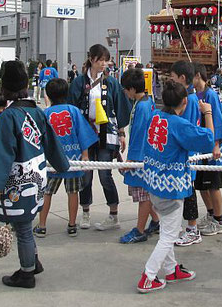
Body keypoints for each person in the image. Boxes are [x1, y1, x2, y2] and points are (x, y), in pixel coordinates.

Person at [0, 60, 69, 288]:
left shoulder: (7, 117)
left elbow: (2, 155)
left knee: (22, 228)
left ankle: (26, 272)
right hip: (38, 176)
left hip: (16, 181)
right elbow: (51, 142)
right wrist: (63, 166)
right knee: (27, 223)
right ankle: (34, 260)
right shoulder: (37, 112)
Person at [136, 80, 218, 293]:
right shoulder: (178, 124)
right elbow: (208, 139)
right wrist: (207, 113)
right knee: (169, 235)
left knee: (166, 229)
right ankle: (148, 276)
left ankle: (172, 270)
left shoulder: (156, 117)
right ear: (184, 101)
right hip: (170, 188)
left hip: (154, 183)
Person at [67, 44, 131, 231]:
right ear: (92, 59)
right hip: (85, 132)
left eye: (106, 59)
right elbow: (72, 107)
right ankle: (85, 211)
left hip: (106, 131)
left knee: (105, 173)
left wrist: (121, 132)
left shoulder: (111, 82)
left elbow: (119, 106)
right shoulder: (79, 82)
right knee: (85, 175)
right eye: (101, 59)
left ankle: (113, 214)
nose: (105, 63)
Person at [36, 78, 98, 238]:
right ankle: (71, 225)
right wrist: (85, 155)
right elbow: (82, 133)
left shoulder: (46, 113)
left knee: (46, 193)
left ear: (48, 95)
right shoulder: (73, 110)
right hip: (73, 158)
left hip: (52, 160)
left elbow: (41, 139)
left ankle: (42, 225)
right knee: (73, 192)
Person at [119, 68, 160, 244]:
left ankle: (140, 230)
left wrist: (132, 160)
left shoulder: (142, 106)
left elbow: (140, 136)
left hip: (141, 158)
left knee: (143, 196)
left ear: (133, 89)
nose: (125, 92)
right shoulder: (146, 101)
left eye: (126, 89)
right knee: (145, 195)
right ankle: (156, 222)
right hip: (144, 156)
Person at [169, 60, 202, 246]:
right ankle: (186, 227)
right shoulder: (188, 97)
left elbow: (186, 130)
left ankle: (192, 229)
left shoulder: (189, 100)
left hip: (187, 155)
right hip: (185, 154)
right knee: (184, 192)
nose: (171, 81)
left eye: (173, 78)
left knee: (188, 192)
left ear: (182, 78)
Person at [193, 63, 222, 237]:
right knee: (201, 185)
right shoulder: (194, 95)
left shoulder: (210, 95)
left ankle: (219, 220)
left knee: (213, 185)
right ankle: (210, 213)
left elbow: (218, 119)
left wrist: (216, 144)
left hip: (212, 147)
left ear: (198, 75)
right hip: (200, 149)